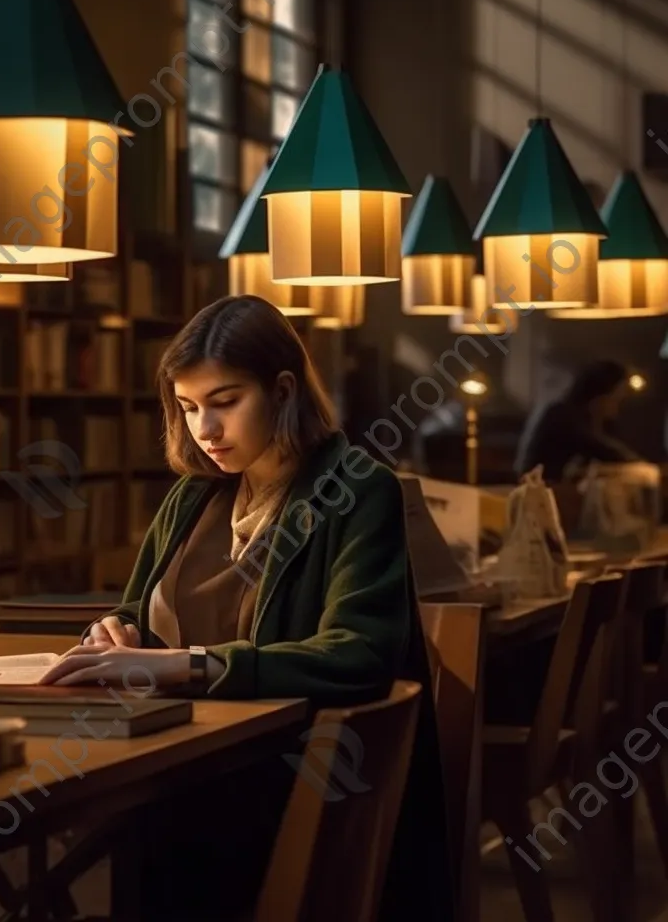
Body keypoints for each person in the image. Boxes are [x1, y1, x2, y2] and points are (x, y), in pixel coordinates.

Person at [39, 295, 455, 922]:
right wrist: (113, 630)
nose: (205, 430)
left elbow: (360, 653)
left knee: (92, 844)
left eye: (225, 402)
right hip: (188, 763)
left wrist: (192, 666)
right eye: (188, 407)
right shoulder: (192, 496)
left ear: (283, 390)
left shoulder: (359, 491)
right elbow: (139, 608)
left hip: (288, 782)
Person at [514, 359, 640, 482]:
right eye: (615, 400)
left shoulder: (577, 415)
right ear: (599, 397)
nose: (616, 409)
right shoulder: (563, 415)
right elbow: (602, 449)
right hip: (537, 492)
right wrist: (641, 466)